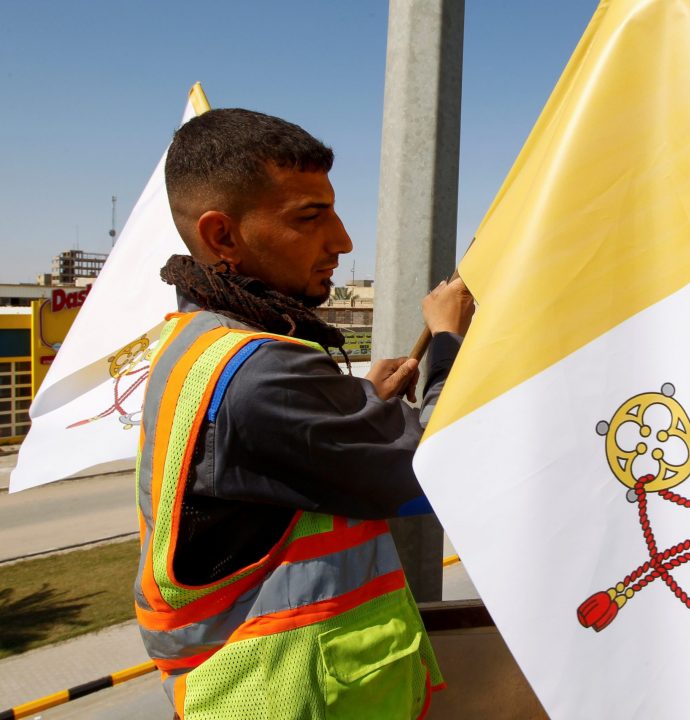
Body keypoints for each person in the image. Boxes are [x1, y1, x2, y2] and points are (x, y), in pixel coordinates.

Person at [134, 107, 473, 719]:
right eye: (310, 217)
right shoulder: (262, 375)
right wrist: (448, 341)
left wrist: (358, 406)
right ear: (222, 237)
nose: (342, 240)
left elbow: (270, 449)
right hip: (291, 697)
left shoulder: (200, 342)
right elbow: (446, 465)